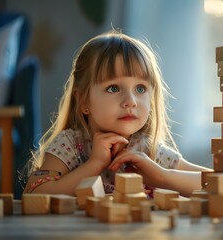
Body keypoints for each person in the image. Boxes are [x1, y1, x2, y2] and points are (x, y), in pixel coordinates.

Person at [22, 30, 211, 197]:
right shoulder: (71, 145)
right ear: (84, 101)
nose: (131, 101)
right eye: (113, 88)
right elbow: (34, 194)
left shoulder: (149, 150)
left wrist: (162, 176)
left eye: (140, 88)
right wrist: (94, 164)